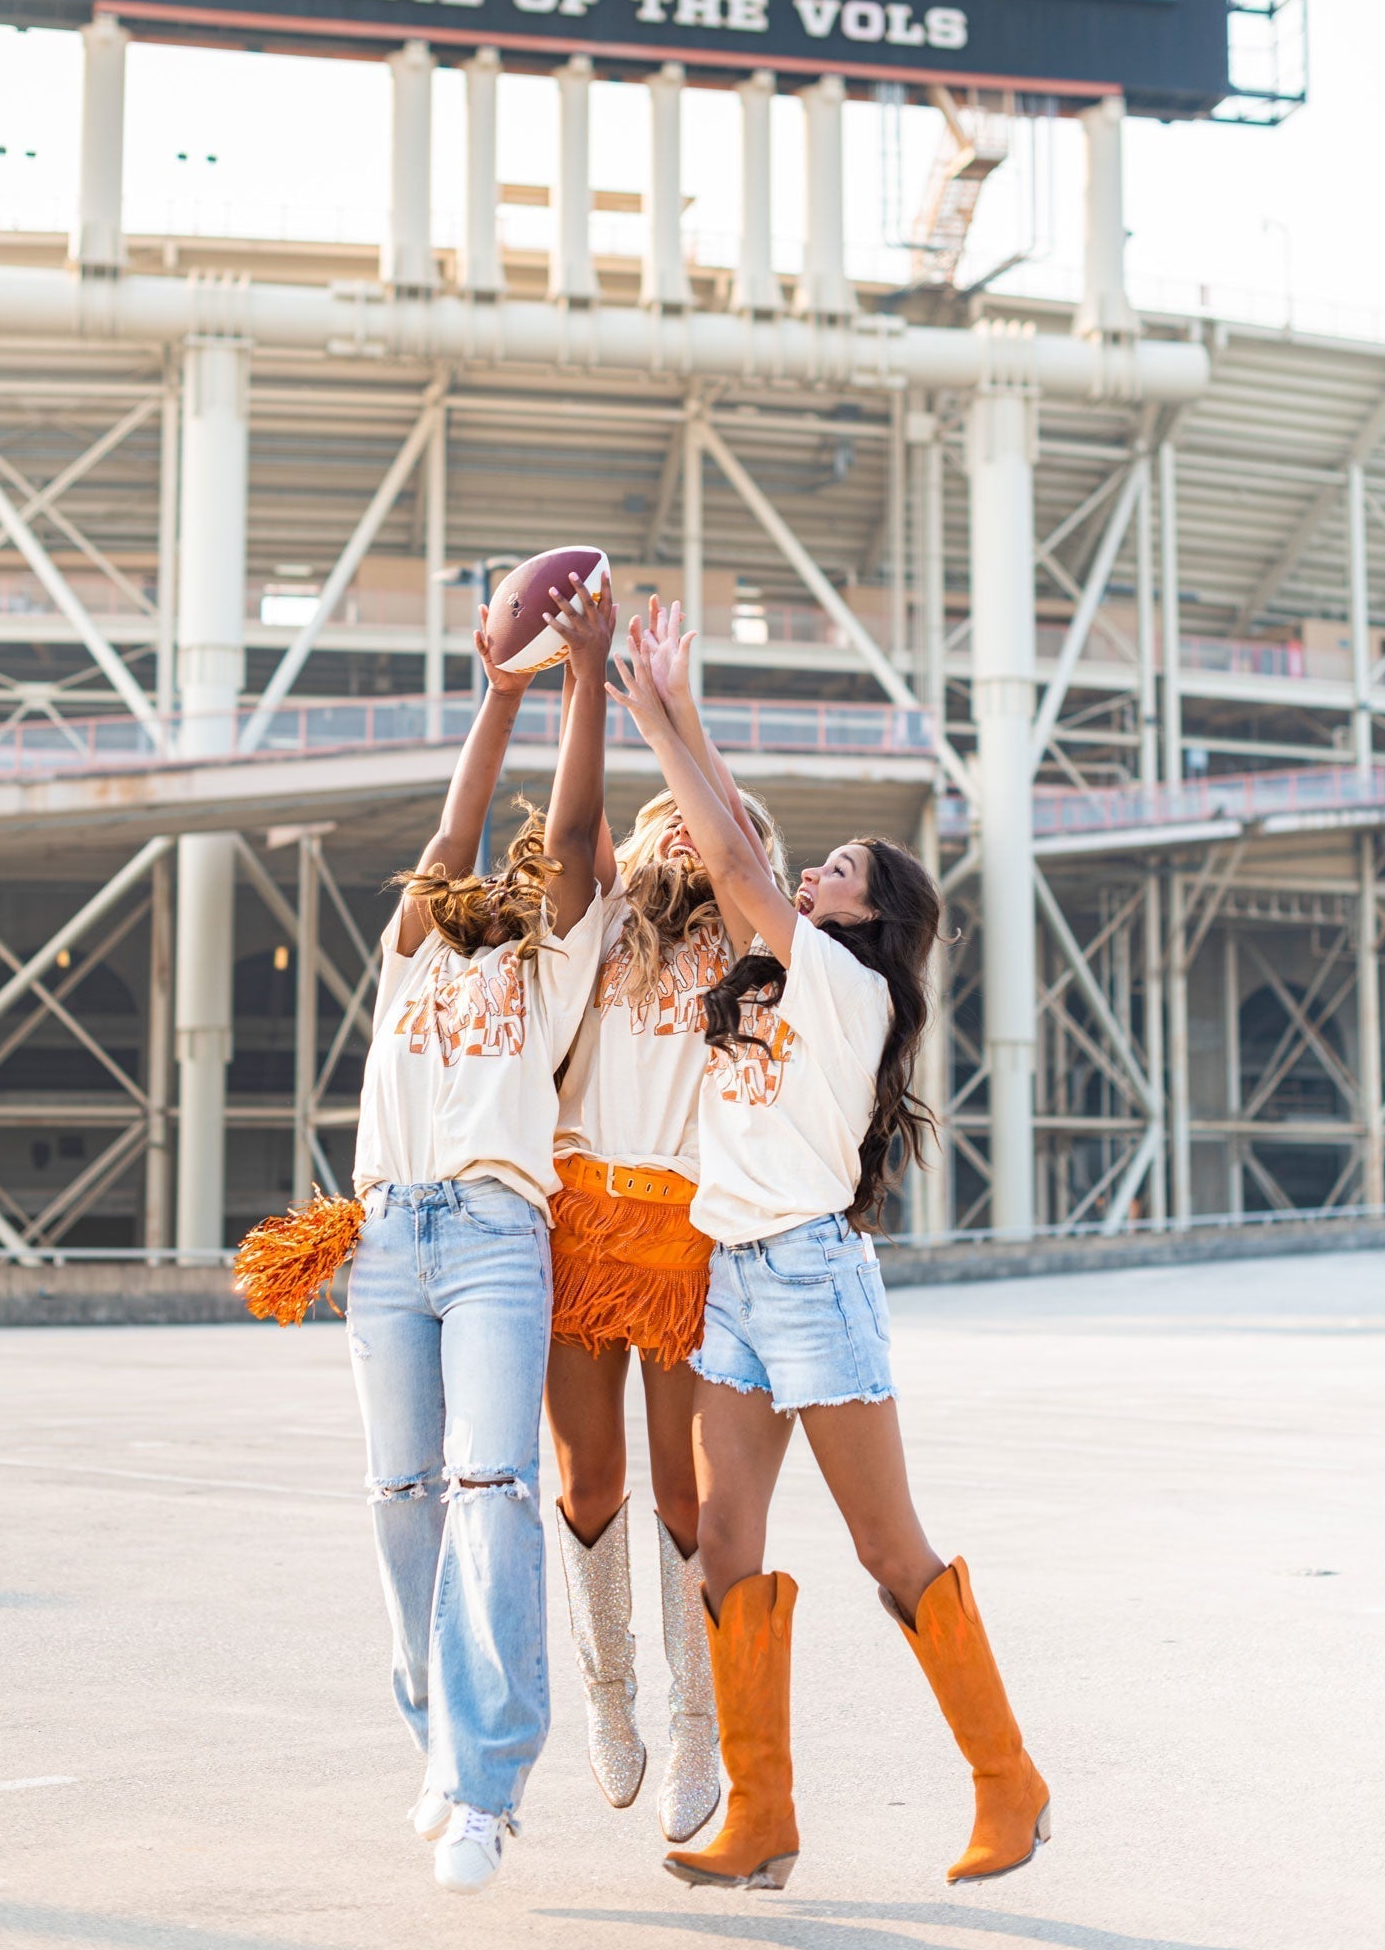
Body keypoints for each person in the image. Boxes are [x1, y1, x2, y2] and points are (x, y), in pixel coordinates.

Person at [609, 625, 1050, 1894]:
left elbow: (735, 853)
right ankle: (762, 1813)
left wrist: (666, 715)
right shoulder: (778, 979)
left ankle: (1008, 1782)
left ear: (874, 916)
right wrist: (681, 720)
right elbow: (742, 851)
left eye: (840, 868)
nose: (813, 871)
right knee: (726, 1545)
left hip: (810, 1279)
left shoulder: (847, 992)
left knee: (887, 1547)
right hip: (733, 1280)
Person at [345, 574, 615, 1896]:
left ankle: (485, 1784)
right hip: (388, 1234)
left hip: (503, 1233)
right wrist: (497, 692)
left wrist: (579, 684)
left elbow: (570, 832)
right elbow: (457, 828)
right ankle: (432, 1711)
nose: (516, 878)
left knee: (492, 1492)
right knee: (402, 1502)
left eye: (540, 881)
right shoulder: (415, 946)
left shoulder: (552, 966)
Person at [545, 600, 785, 1847]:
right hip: (583, 1223)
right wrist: (593, 685)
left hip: (696, 1238)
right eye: (663, 830)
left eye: (685, 823)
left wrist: (679, 718)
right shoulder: (595, 933)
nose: (673, 841)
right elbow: (580, 831)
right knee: (588, 1477)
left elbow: (739, 841)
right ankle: (608, 1687)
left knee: (693, 1501)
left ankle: (697, 1717)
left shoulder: (749, 953)